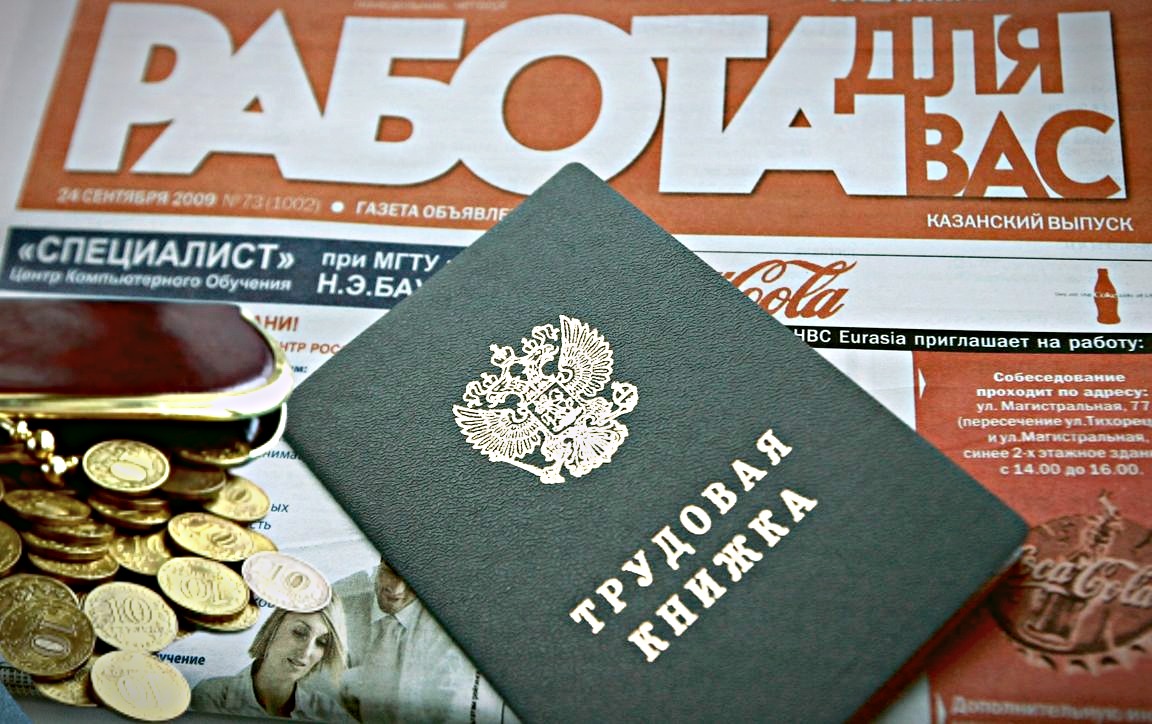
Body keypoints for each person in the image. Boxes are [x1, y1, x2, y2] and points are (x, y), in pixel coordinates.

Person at [334, 558, 517, 723]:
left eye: (412, 580)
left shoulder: (453, 631)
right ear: (381, 561)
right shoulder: (339, 606)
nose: (397, 590)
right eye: (392, 572)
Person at [191, 601, 356, 722]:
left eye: (322, 642)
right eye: (299, 632)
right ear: (273, 629)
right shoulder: (212, 695)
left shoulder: (329, 711)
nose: (306, 652)